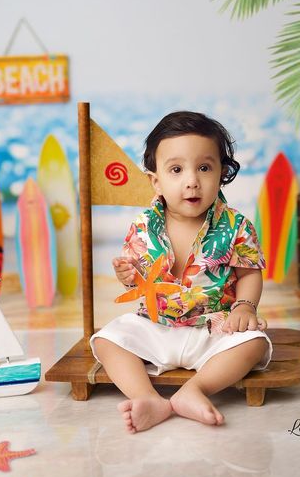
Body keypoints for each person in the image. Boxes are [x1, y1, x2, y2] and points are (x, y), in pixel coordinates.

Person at [90, 111, 272, 433]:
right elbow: (136, 274)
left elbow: (248, 273)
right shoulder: (143, 226)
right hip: (155, 326)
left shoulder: (235, 225)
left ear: (222, 173)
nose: (192, 180)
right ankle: (147, 398)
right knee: (107, 340)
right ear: (155, 180)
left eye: (204, 167)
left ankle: (195, 390)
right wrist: (126, 275)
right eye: (176, 169)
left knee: (254, 344)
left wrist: (245, 307)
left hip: (214, 328)